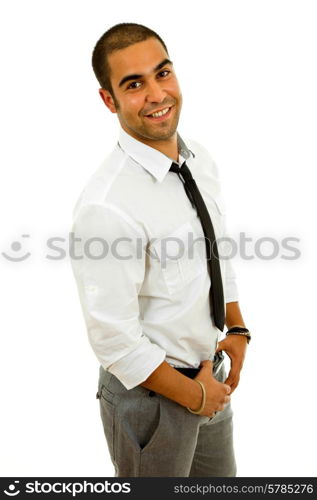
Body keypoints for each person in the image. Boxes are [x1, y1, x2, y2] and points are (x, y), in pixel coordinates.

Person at [70, 22, 250, 477]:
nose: (156, 94)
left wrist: (237, 326)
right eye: (134, 84)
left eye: (162, 73)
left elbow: (215, 250)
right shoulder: (106, 205)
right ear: (109, 100)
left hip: (209, 374)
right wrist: (194, 396)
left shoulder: (199, 161)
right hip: (148, 402)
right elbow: (113, 341)